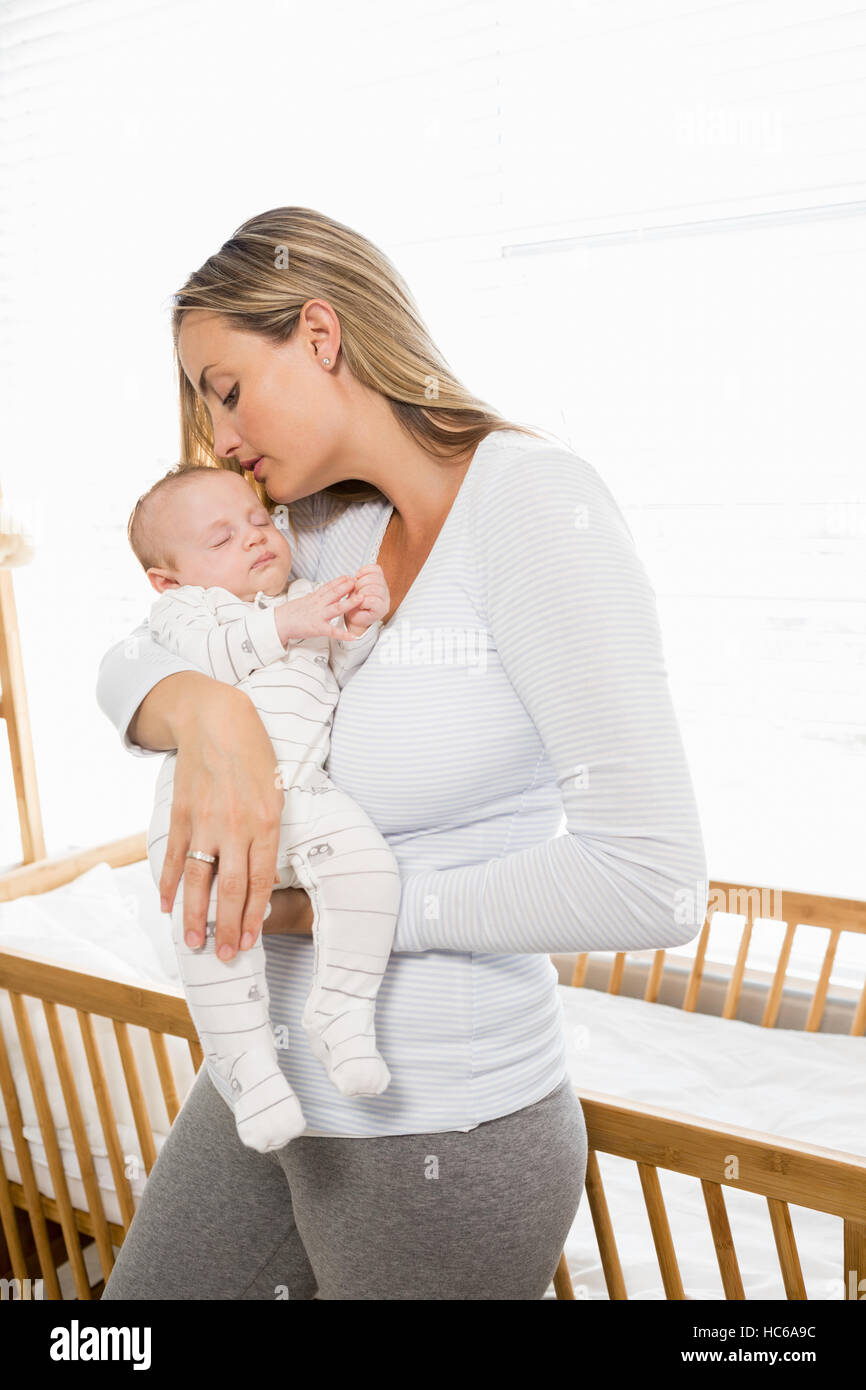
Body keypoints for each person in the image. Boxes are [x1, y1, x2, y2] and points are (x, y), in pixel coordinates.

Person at [96, 206, 707, 1300]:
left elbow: (650, 882)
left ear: (320, 334)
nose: (219, 437)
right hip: (258, 1092)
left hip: (437, 1120)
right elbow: (133, 659)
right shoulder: (308, 527)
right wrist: (204, 710)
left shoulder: (529, 506)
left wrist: (344, 907)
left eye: (226, 387)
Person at [130, 462, 402, 1152]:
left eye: (258, 520)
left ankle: (340, 1015)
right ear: (169, 578)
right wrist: (292, 620)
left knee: (369, 868)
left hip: (302, 799)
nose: (255, 539)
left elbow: (341, 675)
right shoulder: (185, 613)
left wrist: (359, 624)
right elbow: (211, 657)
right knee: (215, 938)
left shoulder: (305, 597)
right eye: (221, 540)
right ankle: (249, 1072)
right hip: (210, 821)